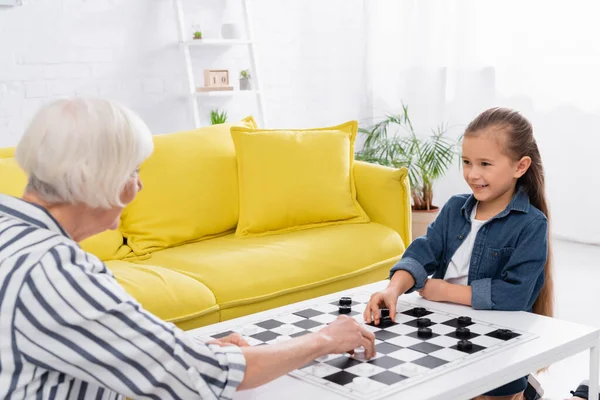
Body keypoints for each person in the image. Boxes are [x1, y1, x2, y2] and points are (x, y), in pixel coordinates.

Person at [0, 97, 376, 399]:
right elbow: (199, 377)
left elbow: (82, 343)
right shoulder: (55, 270)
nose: (140, 187)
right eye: (133, 172)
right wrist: (322, 340)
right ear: (98, 179)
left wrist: (179, 346)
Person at [363, 107, 554, 400]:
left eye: (485, 164)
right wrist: (393, 289)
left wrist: (445, 292)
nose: (472, 174)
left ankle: (527, 391)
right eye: (466, 162)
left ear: (520, 166)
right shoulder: (455, 208)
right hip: (444, 331)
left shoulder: (531, 224)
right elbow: (422, 252)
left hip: (498, 340)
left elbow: (516, 295)